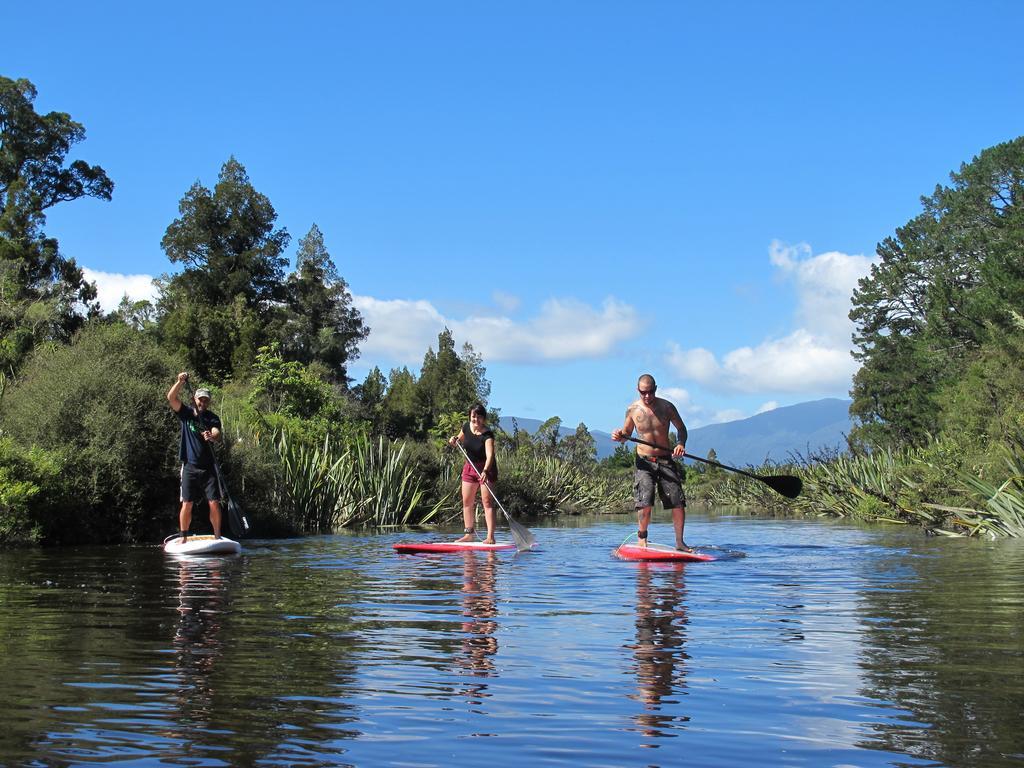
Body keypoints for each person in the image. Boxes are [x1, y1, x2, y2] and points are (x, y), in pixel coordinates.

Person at [611, 374, 690, 551]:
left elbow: (681, 428)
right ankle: (642, 539)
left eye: (650, 392)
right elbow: (626, 434)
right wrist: (619, 436)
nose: (647, 396)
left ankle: (680, 542)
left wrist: (680, 444)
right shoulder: (632, 410)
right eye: (643, 393)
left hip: (665, 460)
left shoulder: (667, 407)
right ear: (638, 391)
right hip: (644, 463)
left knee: (677, 502)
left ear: (656, 388)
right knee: (644, 502)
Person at [167, 372, 223, 542]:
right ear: (194, 399)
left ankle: (217, 537)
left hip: (208, 466)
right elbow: (171, 397)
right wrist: (179, 382)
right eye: (200, 399)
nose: (203, 402)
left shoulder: (212, 417)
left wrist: (212, 437)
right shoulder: (186, 413)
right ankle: (184, 537)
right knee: (187, 503)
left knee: (214, 502)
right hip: (189, 465)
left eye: (206, 400)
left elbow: (217, 432)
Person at [448, 404, 498, 544]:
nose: (476, 419)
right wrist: (454, 440)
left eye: (479, 417)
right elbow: (458, 439)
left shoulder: (487, 435)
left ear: (484, 418)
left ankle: (490, 537)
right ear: (470, 416)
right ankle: (469, 534)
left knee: (487, 502)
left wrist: (486, 471)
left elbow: (490, 456)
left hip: (486, 468)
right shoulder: (466, 427)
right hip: (470, 467)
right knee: (467, 501)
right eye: (473, 416)